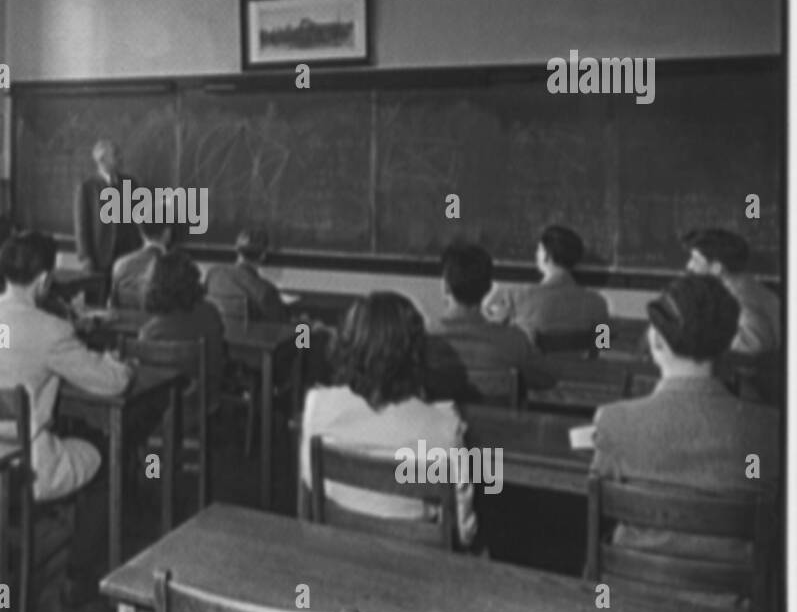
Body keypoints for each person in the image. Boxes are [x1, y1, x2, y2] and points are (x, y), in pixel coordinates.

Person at [0, 231, 132, 596]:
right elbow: (111, 385)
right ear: (45, 280)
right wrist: (122, 366)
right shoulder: (52, 330)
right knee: (109, 456)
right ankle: (78, 577)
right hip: (22, 465)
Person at [591, 275, 779, 604]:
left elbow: (599, 496)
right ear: (727, 345)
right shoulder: (769, 429)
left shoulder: (614, 421)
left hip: (625, 596)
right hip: (733, 607)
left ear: (657, 343)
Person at [300, 293, 477, 547]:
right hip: (418, 565)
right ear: (416, 354)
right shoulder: (445, 425)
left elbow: (309, 483)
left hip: (338, 551)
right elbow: (464, 531)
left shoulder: (317, 404)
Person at [427, 241, 554, 398]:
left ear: (445, 287)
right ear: (488, 289)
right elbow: (547, 379)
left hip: (440, 421)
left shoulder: (423, 338)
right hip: (498, 423)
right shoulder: (513, 340)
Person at [138, 250, 226, 431]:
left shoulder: (151, 331)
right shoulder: (211, 313)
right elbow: (219, 361)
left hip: (163, 412)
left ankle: (143, 458)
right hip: (205, 403)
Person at [484, 224, 609, 343]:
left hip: (530, 365)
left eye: (539, 250)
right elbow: (603, 344)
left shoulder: (513, 296)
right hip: (577, 364)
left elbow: (489, 334)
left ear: (546, 256)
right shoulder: (598, 303)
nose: (536, 254)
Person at [682, 227, 780, 355]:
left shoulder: (739, 298)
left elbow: (752, 345)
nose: (689, 265)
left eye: (695, 260)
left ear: (717, 268)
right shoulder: (739, 285)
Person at [73, 139, 142, 282]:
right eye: (115, 154)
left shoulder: (131, 183)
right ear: (102, 159)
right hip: (99, 257)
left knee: (125, 300)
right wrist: (85, 257)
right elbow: (82, 225)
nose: (120, 158)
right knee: (96, 300)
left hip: (127, 257)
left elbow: (139, 219)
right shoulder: (87, 187)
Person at [203, 227, 288, 323]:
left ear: (236, 250)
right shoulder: (266, 291)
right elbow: (281, 325)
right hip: (250, 338)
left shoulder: (213, 275)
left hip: (217, 337)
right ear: (263, 255)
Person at [109, 220, 173, 310]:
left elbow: (113, 306)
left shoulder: (120, 264)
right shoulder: (176, 267)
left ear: (141, 233)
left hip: (129, 322)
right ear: (167, 232)